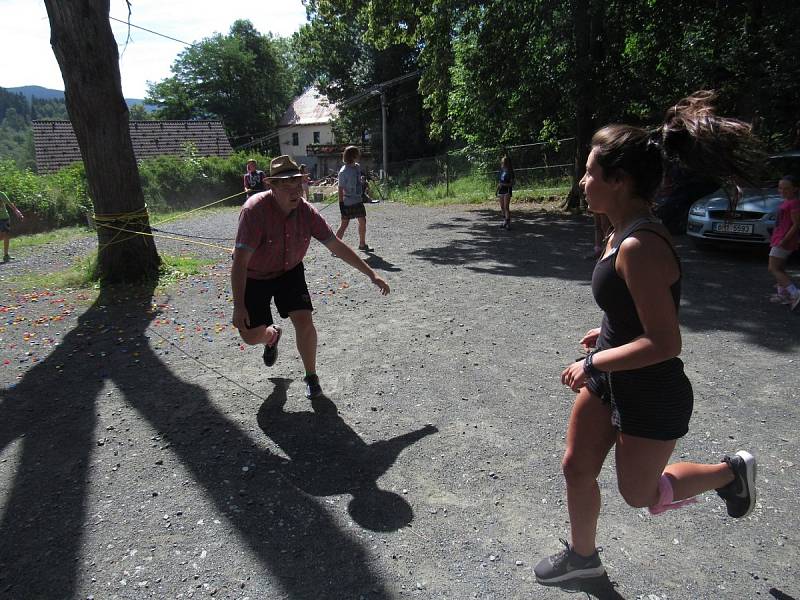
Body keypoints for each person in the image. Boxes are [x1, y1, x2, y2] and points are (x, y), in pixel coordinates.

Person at [534, 91, 761, 586]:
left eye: (592, 172)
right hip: (614, 374)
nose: (583, 180)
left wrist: (595, 362)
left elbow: (665, 343)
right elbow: (633, 307)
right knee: (576, 466)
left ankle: (730, 473)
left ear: (620, 181)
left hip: (652, 390)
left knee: (638, 494)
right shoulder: (618, 231)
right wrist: (610, 328)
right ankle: (582, 557)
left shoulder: (639, 245)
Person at [231, 155, 390, 399]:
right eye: (286, 185)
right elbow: (240, 262)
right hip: (255, 275)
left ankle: (311, 376)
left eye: (297, 183)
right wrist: (239, 306)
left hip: (289, 271)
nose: (295, 191)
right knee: (250, 335)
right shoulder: (254, 211)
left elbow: (335, 245)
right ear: (271, 186)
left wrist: (371, 274)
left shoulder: (307, 212)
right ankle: (271, 337)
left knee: (304, 321)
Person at [766, 174, 800, 309]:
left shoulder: (794, 203)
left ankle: (795, 292)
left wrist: (784, 240)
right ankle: (784, 295)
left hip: (784, 240)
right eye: (780, 188)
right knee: (779, 268)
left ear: (795, 189)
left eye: (786, 188)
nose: (782, 191)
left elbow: (797, 225)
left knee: (772, 268)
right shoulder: (787, 201)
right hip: (779, 238)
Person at [336, 145, 372, 252]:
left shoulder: (357, 167)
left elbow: (357, 182)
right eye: (357, 153)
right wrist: (341, 204)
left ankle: (362, 244)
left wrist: (362, 182)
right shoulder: (343, 172)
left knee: (362, 221)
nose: (359, 154)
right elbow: (340, 189)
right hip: (348, 202)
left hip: (358, 200)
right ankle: (335, 248)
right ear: (352, 155)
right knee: (344, 224)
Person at [0, 191, 24, 263]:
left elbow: (10, 204)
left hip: (5, 218)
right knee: (1, 237)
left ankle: (6, 256)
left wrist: (17, 212)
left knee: (6, 236)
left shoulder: (1, 194)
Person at [496, 155, 515, 229]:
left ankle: (508, 223)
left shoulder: (510, 172)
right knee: (502, 207)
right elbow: (499, 182)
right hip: (501, 191)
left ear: (506, 163)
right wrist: (496, 190)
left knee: (506, 207)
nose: (501, 164)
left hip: (507, 190)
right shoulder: (501, 171)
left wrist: (503, 184)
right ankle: (504, 221)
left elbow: (512, 183)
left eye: (502, 162)